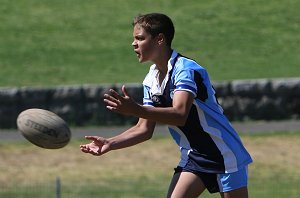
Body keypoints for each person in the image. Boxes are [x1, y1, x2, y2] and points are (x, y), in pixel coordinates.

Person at [80, 13, 253, 198]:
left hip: (224, 152)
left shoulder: (186, 70)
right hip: (194, 156)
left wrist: (136, 109)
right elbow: (143, 129)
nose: (134, 43)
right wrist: (110, 143)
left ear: (160, 39)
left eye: (140, 38)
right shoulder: (151, 79)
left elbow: (180, 114)